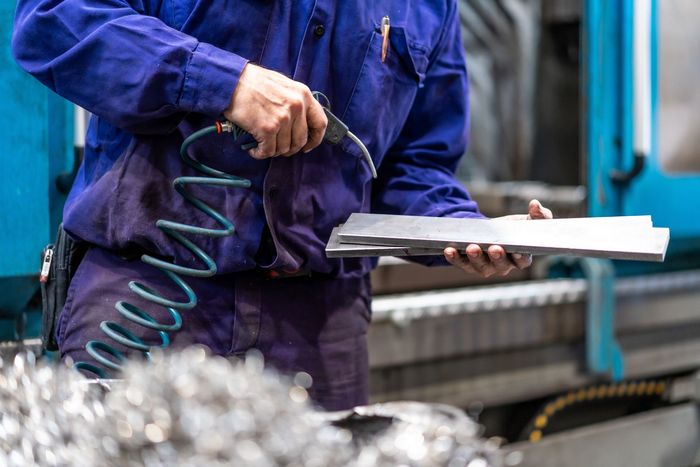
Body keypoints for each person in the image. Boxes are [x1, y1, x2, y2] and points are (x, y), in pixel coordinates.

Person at [12, 1, 552, 410]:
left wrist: (463, 226)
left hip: (319, 324)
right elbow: (53, 21)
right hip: (147, 293)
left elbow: (414, 165)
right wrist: (223, 82)